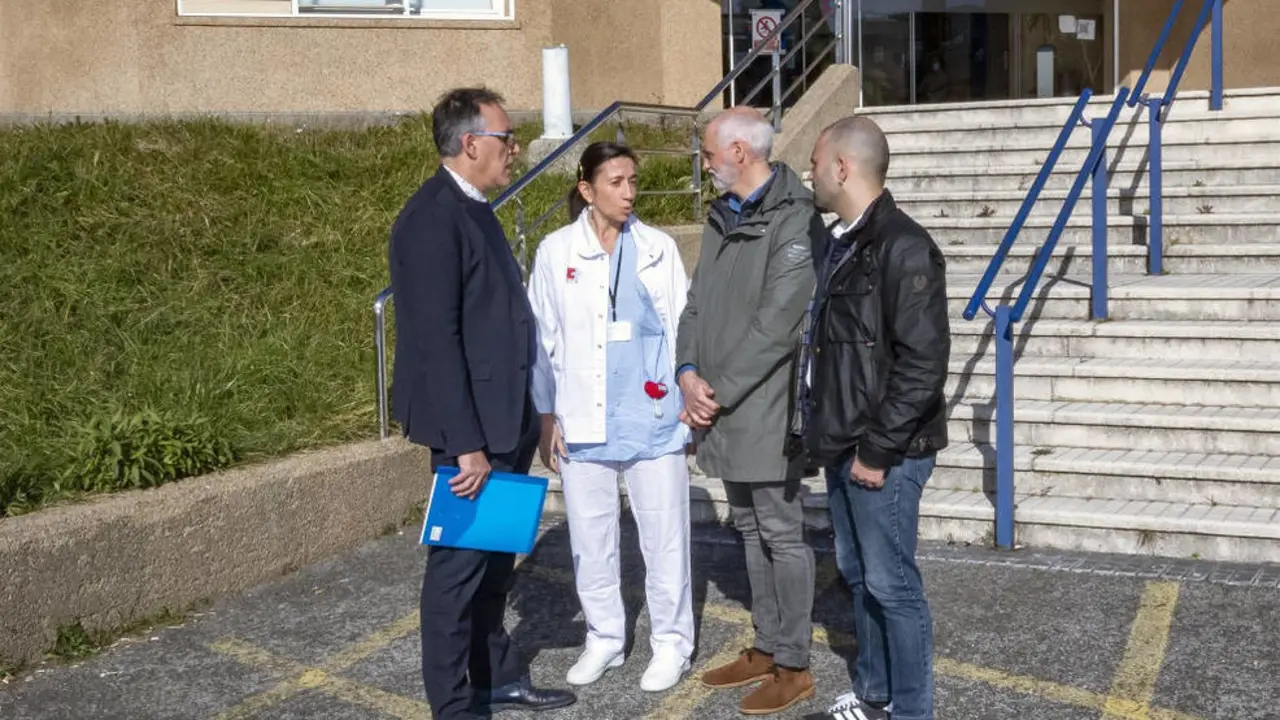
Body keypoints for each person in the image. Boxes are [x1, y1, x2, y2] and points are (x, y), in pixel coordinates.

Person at [387, 86, 576, 720]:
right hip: (470, 434)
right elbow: (434, 342)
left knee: (495, 564)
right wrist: (466, 445)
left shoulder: (476, 208)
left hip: (504, 420)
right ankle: (455, 704)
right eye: (506, 138)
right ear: (471, 144)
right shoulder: (430, 219)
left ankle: (495, 676)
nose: (515, 150)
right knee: (456, 575)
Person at [526, 141, 696, 693]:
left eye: (633, 181)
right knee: (591, 537)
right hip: (583, 418)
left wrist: (687, 404)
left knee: (664, 537)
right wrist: (545, 416)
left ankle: (671, 643)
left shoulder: (657, 247)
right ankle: (604, 637)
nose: (629, 192)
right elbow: (541, 341)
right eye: (616, 182)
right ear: (586, 190)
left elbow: (680, 330)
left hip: (653, 414)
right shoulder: (556, 251)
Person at [675, 107, 826, 716]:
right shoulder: (721, 216)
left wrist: (716, 390)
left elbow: (778, 325)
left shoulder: (795, 216)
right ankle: (765, 646)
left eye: (710, 152)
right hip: (717, 403)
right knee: (746, 527)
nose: (705, 163)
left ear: (739, 151)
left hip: (764, 405)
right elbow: (695, 305)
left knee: (781, 532)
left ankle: (794, 663)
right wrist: (687, 374)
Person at [801, 116, 950, 720]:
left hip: (885, 452)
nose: (808, 173)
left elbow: (923, 363)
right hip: (845, 443)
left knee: (893, 585)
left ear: (843, 167)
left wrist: (877, 452)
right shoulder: (844, 240)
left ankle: (912, 711)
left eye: (815, 162)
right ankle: (873, 693)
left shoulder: (903, 245)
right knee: (860, 575)